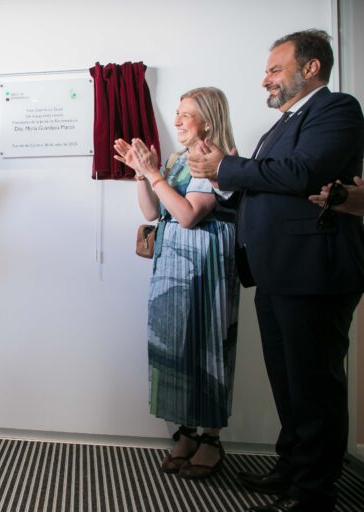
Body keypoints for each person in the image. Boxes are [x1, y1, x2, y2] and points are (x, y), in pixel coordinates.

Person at [188, 30, 364, 512]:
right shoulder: (281, 125)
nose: (265, 79)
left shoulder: (336, 109)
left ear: (310, 68)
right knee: (289, 386)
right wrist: (222, 182)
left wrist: (225, 167)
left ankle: (313, 495)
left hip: (315, 272)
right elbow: (267, 188)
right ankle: (290, 470)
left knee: (314, 390)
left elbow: (301, 174)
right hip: (277, 273)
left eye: (274, 69)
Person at [114, 87, 239, 480]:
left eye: (187, 114)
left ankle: (211, 438)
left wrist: (154, 174)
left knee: (208, 347)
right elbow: (153, 211)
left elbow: (188, 215)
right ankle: (186, 431)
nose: (178, 120)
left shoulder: (218, 160)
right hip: (172, 266)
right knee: (176, 345)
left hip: (207, 266)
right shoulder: (175, 160)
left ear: (208, 121)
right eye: (178, 112)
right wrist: (141, 174)